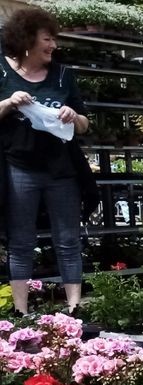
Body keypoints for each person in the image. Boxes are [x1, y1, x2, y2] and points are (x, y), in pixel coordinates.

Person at [0, 7, 90, 315]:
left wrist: (73, 116)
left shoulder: (64, 75)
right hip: (18, 168)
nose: (53, 45)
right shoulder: (2, 71)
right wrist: (9, 103)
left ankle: (74, 308)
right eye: (47, 39)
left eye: (54, 39)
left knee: (68, 240)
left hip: (61, 170)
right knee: (21, 241)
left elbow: (84, 124)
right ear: (27, 40)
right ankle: (21, 312)